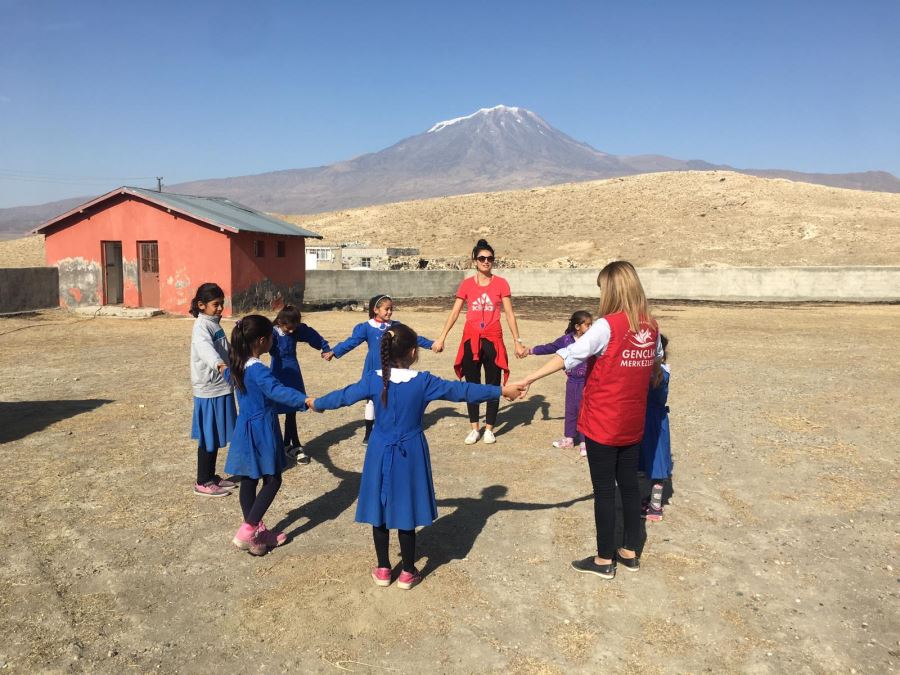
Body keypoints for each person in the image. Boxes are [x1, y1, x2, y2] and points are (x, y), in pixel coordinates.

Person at [308, 323, 523, 589]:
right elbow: (464, 391)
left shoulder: (374, 379)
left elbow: (344, 396)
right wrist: (501, 390)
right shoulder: (424, 382)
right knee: (406, 510)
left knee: (380, 510)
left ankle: (384, 568)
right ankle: (408, 571)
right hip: (411, 452)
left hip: (379, 450)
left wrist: (316, 403)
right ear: (413, 352)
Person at [513, 261, 660, 579]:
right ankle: (630, 552)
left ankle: (604, 559)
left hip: (604, 422)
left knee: (605, 490)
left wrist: (529, 379)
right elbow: (656, 365)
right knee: (630, 486)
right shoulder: (651, 326)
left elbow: (569, 354)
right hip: (633, 421)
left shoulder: (607, 326)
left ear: (612, 289)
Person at [224, 314, 309, 556]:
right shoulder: (259, 369)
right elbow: (278, 392)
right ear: (262, 340)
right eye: (272, 337)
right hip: (262, 428)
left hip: (245, 428)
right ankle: (248, 530)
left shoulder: (237, 363)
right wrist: (305, 401)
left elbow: (226, 374)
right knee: (273, 480)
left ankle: (256, 533)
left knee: (250, 479)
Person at [432, 239, 528, 445]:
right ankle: (474, 428)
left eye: (490, 258)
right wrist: (442, 337)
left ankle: (489, 429)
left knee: (493, 384)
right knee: (472, 385)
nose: (486, 261)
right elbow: (455, 311)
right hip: (471, 339)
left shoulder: (501, 283)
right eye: (482, 258)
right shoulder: (466, 284)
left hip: (493, 339)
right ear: (474, 261)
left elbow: (510, 314)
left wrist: (517, 342)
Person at [323, 295, 435, 442]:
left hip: (392, 366)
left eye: (391, 309)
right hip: (374, 367)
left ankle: (388, 425)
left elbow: (413, 338)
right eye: (386, 309)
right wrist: (334, 351)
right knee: (371, 400)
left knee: (390, 395)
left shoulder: (395, 326)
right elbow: (352, 342)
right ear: (376, 310)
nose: (389, 312)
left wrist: (431, 344)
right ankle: (369, 432)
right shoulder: (366, 327)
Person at [189, 282, 237, 497]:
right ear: (201, 305)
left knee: (216, 434)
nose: (220, 308)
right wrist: (221, 366)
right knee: (208, 436)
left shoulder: (214, 323)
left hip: (222, 385)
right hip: (209, 388)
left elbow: (224, 348)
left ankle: (211, 476)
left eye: (222, 304)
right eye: (216, 304)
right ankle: (202, 481)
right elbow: (207, 351)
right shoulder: (201, 326)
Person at [269, 304, 331, 464]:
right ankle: (279, 445)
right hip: (278, 372)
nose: (291, 332)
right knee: (275, 409)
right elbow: (255, 336)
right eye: (288, 328)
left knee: (293, 409)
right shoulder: (272, 332)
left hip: (293, 372)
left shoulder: (296, 330)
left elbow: (311, 335)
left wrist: (324, 347)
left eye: (293, 329)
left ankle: (292, 445)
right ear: (280, 322)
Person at [529, 311, 593, 457]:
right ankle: (569, 438)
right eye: (587, 324)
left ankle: (584, 442)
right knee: (571, 409)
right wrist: (530, 350)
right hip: (572, 381)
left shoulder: (592, 341)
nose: (591, 327)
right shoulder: (566, 340)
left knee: (585, 411)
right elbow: (549, 347)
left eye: (591, 324)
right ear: (577, 326)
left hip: (589, 382)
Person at [640, 335, 672, 522]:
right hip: (658, 421)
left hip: (644, 419)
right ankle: (654, 503)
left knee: (649, 461)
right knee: (657, 462)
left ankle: (655, 507)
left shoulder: (647, 374)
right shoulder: (664, 372)